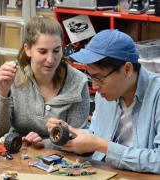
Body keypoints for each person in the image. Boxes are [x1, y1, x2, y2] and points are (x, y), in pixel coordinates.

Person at [47, 29, 160, 173]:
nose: (94, 86)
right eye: (91, 77)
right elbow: (96, 135)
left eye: (99, 78)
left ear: (127, 70)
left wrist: (101, 145)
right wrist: (73, 135)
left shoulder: (157, 94)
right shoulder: (105, 94)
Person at [0, 16, 90, 148]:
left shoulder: (78, 82)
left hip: (60, 158)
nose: (51, 59)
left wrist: (42, 143)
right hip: (16, 152)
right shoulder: (12, 75)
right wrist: (2, 92)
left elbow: (78, 140)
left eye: (56, 50)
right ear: (28, 49)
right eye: (42, 51)